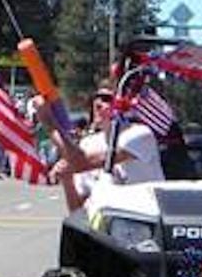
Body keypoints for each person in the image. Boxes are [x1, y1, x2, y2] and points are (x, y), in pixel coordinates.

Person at [38, 80, 163, 212]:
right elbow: (77, 210)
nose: (97, 104)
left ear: (123, 105)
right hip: (109, 224)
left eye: (106, 99)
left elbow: (80, 161)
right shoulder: (88, 144)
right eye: (95, 98)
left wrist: (50, 124)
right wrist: (68, 181)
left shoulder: (140, 135)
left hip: (145, 219)